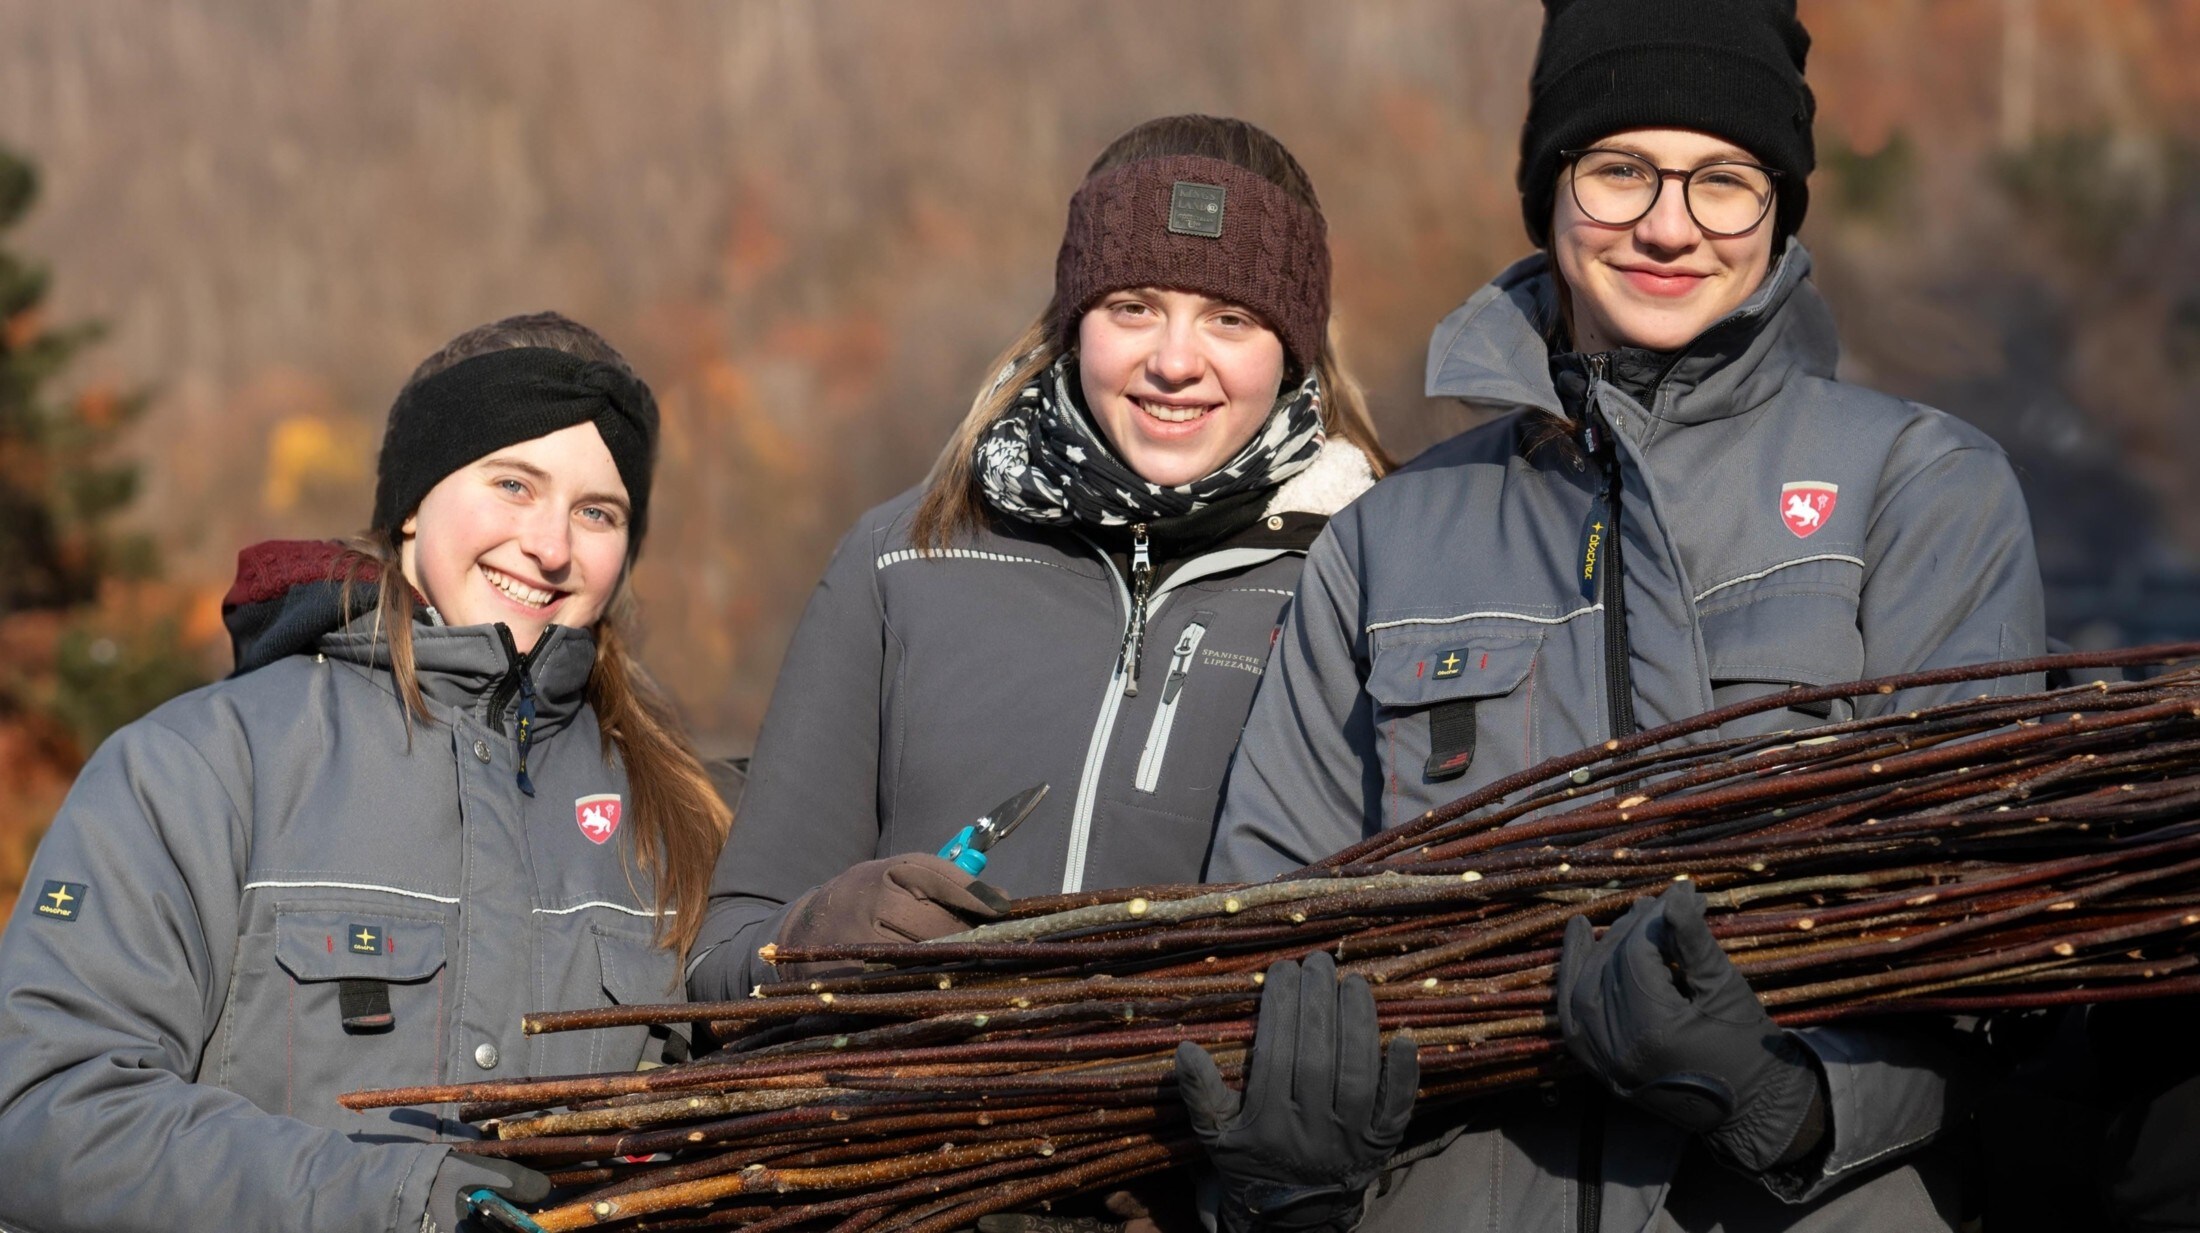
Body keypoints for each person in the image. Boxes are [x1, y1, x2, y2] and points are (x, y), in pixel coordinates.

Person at [1192, 1, 2047, 1230]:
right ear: (1549, 189)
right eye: (1619, 171)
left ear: (1781, 208)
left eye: (1723, 182)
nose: (1667, 226)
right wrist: (1287, 1173)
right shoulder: (1389, 538)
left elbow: (1987, 941)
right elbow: (1270, 936)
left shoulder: (1916, 487)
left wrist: (1792, 1102)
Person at [0, 312, 731, 1233]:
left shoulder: (686, 814)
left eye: (598, 512)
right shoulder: (201, 768)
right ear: (414, 504)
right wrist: (392, 1202)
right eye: (514, 484)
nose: (553, 546)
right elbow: (42, 1110)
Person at [687, 114, 1389, 1010]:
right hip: (910, 1099)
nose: (1176, 361)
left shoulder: (1371, 583)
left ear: (1291, 349)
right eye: (1133, 307)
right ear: (1076, 321)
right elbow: (723, 961)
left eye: (1230, 318)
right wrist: (817, 937)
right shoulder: (904, 557)